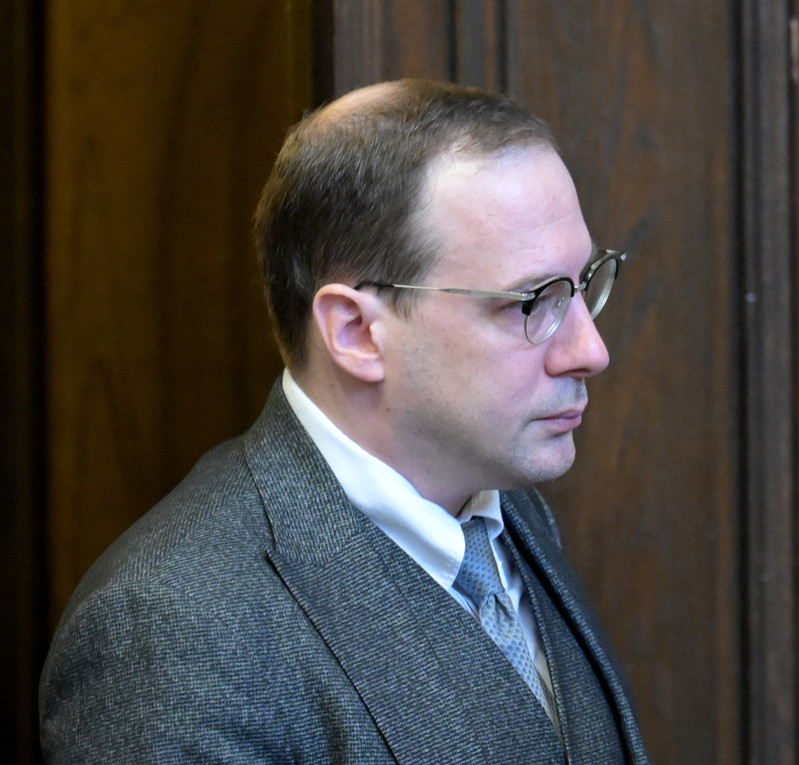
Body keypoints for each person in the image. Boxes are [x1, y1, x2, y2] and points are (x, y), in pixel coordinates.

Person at [39, 78, 648, 764]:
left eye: (583, 283)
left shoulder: (508, 513)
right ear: (355, 332)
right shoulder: (170, 632)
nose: (589, 350)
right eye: (531, 302)